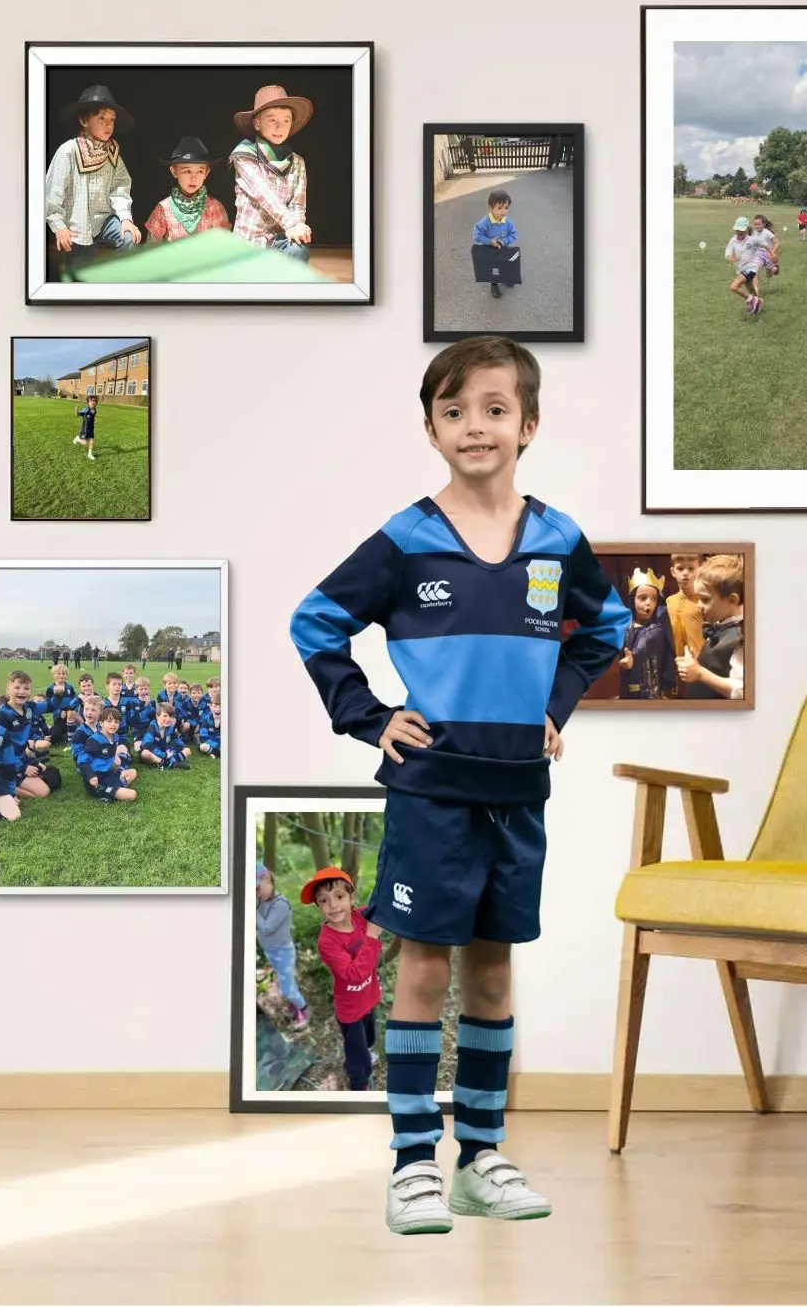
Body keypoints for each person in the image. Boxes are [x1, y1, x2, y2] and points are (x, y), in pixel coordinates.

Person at [288, 334, 628, 1234]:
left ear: (530, 424)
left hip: (516, 793)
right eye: (453, 411)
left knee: (491, 971)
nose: (474, 426)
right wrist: (368, 716)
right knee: (425, 969)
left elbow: (609, 627)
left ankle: (482, 1156)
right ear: (431, 428)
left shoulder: (558, 539)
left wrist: (556, 708)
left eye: (493, 409)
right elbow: (316, 620)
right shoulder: (406, 540)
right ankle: (411, 1168)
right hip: (431, 792)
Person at [44, 84, 140, 280]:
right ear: (84, 120)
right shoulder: (69, 151)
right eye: (102, 118)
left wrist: (126, 219)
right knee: (78, 273)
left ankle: (126, 285)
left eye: (112, 120)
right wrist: (59, 226)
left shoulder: (112, 154)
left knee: (128, 238)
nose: (108, 124)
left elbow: (120, 188)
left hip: (104, 220)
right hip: (78, 224)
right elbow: (52, 192)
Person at [305, 867, 385, 1094]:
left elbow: (384, 909)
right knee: (357, 1054)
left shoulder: (361, 917)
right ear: (319, 907)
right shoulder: (327, 941)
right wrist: (371, 937)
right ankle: (359, 1085)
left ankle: (364, 1054)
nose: (333, 905)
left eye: (339, 897)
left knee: (368, 1038)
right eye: (324, 900)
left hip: (368, 995)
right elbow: (353, 975)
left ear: (352, 898)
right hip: (350, 1010)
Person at [230, 84, 314, 260]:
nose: (280, 127)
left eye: (286, 120)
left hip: (280, 240)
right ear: (257, 124)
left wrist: (298, 226)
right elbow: (264, 194)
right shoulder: (244, 155)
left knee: (298, 250)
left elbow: (297, 204)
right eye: (272, 120)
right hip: (250, 243)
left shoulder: (297, 161)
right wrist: (292, 224)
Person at [676, 555, 746, 700]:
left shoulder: (741, 638)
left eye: (705, 599)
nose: (699, 605)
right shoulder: (720, 629)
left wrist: (700, 673)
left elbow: (742, 691)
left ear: (732, 600)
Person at [142, 137, 232, 244]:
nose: (193, 178)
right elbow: (152, 249)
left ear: (206, 173)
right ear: (174, 171)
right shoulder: (163, 209)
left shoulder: (214, 207)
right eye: (187, 171)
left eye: (199, 171)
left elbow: (224, 244)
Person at [0, 672, 54, 822]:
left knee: (49, 774)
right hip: (8, 764)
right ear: (7, 689)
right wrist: (22, 768)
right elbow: (3, 753)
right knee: (44, 792)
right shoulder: (1, 715)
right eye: (17, 687)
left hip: (23, 758)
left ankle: (15, 785)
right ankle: (9, 789)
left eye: (26, 688)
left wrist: (58, 692)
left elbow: (51, 706)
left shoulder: (29, 707)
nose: (22, 691)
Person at [256, 865, 307, 1031]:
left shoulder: (280, 905)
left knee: (287, 990)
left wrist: (251, 908)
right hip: (272, 952)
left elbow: (265, 928)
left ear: (268, 880)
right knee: (288, 983)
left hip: (283, 952)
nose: (256, 893)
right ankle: (295, 1007)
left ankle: (305, 1011)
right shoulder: (262, 901)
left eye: (257, 888)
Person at [618, 567, 677, 700]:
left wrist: (632, 658)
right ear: (633, 601)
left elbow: (645, 644)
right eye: (642, 598)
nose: (648, 603)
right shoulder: (625, 628)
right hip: (626, 693)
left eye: (654, 599)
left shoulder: (657, 630)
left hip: (650, 694)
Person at [71, 707, 139, 803]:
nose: (113, 725)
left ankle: (113, 789)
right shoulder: (95, 740)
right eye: (109, 721)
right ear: (101, 723)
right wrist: (91, 776)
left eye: (116, 722)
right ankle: (103, 792)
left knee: (132, 772)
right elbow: (82, 760)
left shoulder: (115, 737)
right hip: (97, 780)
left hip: (109, 775)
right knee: (132, 795)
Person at [474, 189, 518, 299]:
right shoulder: (485, 222)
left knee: (505, 265)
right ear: (491, 208)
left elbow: (513, 234)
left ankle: (505, 279)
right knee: (493, 268)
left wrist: (504, 241)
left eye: (506, 208)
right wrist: (489, 241)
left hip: (503, 249)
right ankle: (494, 284)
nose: (503, 211)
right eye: (499, 208)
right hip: (489, 251)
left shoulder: (507, 222)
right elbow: (477, 235)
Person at [663, 552, 704, 664]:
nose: (685, 573)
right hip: (674, 665)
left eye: (691, 568)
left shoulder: (704, 601)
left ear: (699, 570)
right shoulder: (669, 601)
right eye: (680, 568)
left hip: (700, 665)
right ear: (673, 572)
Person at [724, 217, 765, 316]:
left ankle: (751, 300)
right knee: (751, 289)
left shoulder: (752, 240)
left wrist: (772, 254)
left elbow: (766, 245)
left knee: (734, 287)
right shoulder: (733, 240)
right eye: (737, 229)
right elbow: (728, 254)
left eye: (741, 230)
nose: (739, 231)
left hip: (751, 268)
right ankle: (759, 302)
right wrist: (731, 258)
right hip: (741, 269)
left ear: (747, 229)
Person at [137, 700, 192, 770]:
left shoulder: (170, 728)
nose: (168, 719)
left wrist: (172, 752)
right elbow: (147, 745)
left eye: (171, 716)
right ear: (157, 716)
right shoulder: (152, 727)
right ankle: (170, 764)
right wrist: (164, 755)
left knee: (187, 750)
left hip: (164, 752)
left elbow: (179, 743)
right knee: (145, 753)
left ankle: (164, 763)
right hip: (153, 753)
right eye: (165, 716)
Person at [188, 681, 220, 758]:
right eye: (215, 706)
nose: (217, 709)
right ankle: (218, 752)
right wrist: (217, 745)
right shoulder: (207, 719)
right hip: (211, 743)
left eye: (220, 707)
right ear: (211, 707)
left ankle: (216, 753)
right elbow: (203, 737)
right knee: (203, 746)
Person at [71, 393, 100, 461]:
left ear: (96, 402)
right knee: (85, 443)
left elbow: (92, 417)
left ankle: (90, 454)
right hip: (85, 429)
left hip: (91, 429)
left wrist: (94, 420)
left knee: (92, 441)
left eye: (94, 401)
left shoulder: (94, 410)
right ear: (88, 402)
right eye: (91, 401)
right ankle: (78, 438)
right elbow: (77, 414)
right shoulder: (86, 409)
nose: (92, 402)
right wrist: (76, 410)